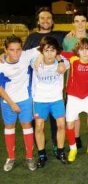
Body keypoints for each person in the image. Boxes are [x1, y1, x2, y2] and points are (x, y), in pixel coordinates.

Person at [23, 7, 67, 156]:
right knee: (38, 122)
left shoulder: (60, 35)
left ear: (53, 20)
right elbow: (23, 56)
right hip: (37, 85)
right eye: (42, 18)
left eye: (48, 18)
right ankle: (40, 148)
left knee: (58, 121)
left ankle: (57, 144)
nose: (46, 21)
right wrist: (39, 54)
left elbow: (74, 40)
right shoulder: (32, 37)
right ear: (38, 21)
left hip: (55, 90)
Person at [62, 11, 88, 150]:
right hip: (73, 83)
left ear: (87, 23)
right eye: (77, 21)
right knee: (74, 115)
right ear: (73, 23)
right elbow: (63, 56)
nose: (80, 24)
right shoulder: (68, 39)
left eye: (82, 20)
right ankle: (76, 139)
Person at [62, 38, 88, 162]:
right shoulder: (72, 58)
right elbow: (56, 52)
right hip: (73, 97)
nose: (85, 52)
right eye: (82, 49)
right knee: (69, 124)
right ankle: (73, 149)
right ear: (77, 51)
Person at [0, 35, 39, 172]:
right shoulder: (1, 64)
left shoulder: (26, 55)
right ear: (5, 50)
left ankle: (29, 157)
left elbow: (47, 46)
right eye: (11, 50)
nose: (16, 53)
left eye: (18, 50)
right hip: (7, 100)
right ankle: (11, 157)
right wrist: (11, 104)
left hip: (25, 99)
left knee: (27, 126)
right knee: (9, 127)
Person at [32, 36, 69, 168]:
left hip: (56, 100)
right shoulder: (34, 61)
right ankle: (42, 155)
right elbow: (22, 55)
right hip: (40, 100)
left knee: (61, 125)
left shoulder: (63, 63)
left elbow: (66, 61)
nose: (49, 54)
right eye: (46, 50)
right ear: (42, 51)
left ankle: (60, 151)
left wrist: (60, 60)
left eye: (52, 50)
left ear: (57, 51)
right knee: (39, 127)